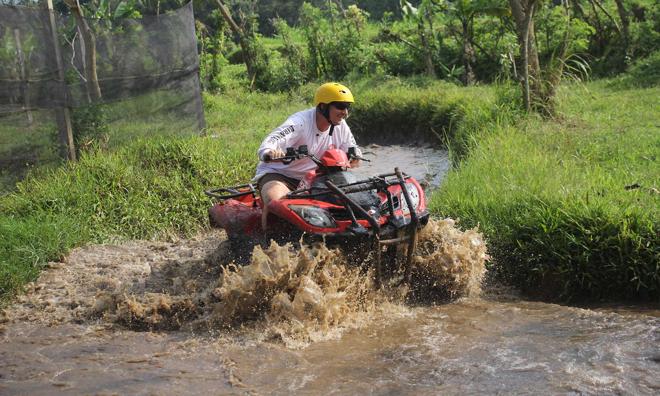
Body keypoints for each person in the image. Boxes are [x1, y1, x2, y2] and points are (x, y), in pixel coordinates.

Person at [254, 82, 362, 230]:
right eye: (340, 106)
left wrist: (355, 155)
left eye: (347, 107)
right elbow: (271, 141)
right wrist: (269, 152)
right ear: (323, 107)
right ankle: (269, 247)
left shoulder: (340, 125)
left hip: (315, 178)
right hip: (280, 175)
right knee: (277, 202)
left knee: (349, 199)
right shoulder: (299, 122)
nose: (345, 112)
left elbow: (352, 149)